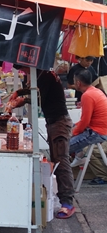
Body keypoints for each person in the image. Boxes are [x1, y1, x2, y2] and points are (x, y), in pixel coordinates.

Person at [9, 66, 76, 219]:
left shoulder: (45, 75)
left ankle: (67, 203)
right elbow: (35, 91)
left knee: (61, 161)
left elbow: (38, 99)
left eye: (23, 70)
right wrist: (19, 92)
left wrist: (21, 101)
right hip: (54, 122)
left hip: (59, 123)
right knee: (57, 160)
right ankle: (64, 199)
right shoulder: (42, 75)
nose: (24, 73)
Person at [69, 69, 107, 168]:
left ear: (78, 83)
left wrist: (73, 133)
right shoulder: (96, 91)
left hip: (97, 132)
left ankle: (78, 157)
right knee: (71, 126)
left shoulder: (87, 95)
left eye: (74, 80)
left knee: (63, 148)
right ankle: (79, 155)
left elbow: (85, 121)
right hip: (99, 129)